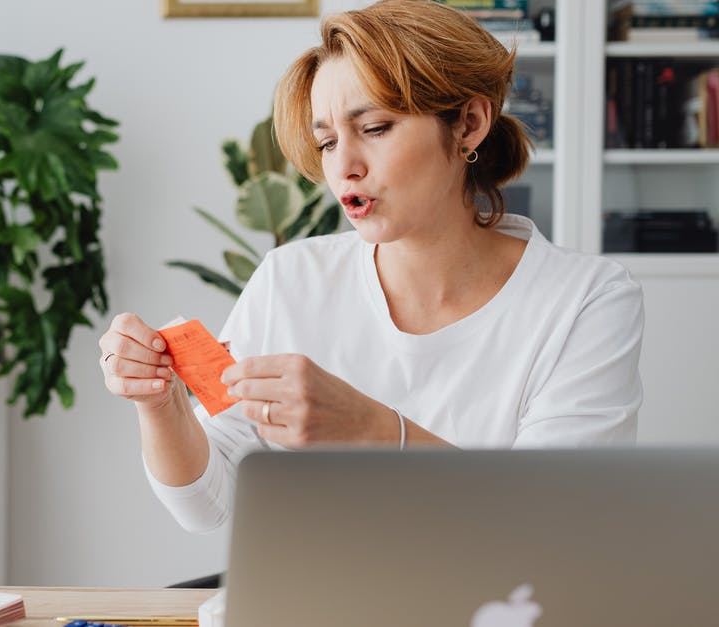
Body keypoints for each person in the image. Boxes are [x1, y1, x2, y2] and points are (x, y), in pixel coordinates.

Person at [98, 0, 643, 534]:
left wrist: (376, 430)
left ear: (469, 124)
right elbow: (206, 507)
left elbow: (558, 523)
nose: (345, 167)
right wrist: (162, 404)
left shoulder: (585, 299)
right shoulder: (292, 279)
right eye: (328, 141)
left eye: (376, 128)